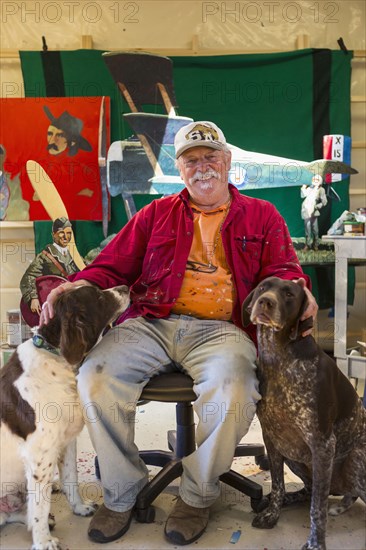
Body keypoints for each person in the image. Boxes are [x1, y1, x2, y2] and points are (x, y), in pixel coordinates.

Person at [40, 121, 318, 546]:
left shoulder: (263, 215)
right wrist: (74, 284)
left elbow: (284, 271)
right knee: (94, 376)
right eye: (192, 160)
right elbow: (111, 266)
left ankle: (197, 493)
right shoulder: (156, 214)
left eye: (211, 158)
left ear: (227, 163)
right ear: (180, 168)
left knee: (234, 388)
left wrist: (300, 290)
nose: (202, 167)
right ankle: (121, 493)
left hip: (222, 329)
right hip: (153, 321)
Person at [20, 217, 79, 315]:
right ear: (54, 234)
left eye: (68, 233)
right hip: (53, 305)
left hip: (70, 305)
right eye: (61, 232)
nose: (65, 236)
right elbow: (28, 277)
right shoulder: (45, 256)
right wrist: (33, 298)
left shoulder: (74, 255)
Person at [301, 174, 328, 251]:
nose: (315, 181)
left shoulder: (321, 190)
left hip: (314, 211)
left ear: (320, 181)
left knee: (315, 229)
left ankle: (316, 244)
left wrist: (317, 206)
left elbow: (324, 201)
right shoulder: (310, 188)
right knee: (307, 229)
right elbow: (303, 195)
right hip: (306, 210)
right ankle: (308, 244)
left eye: (317, 180)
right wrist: (303, 187)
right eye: (314, 179)